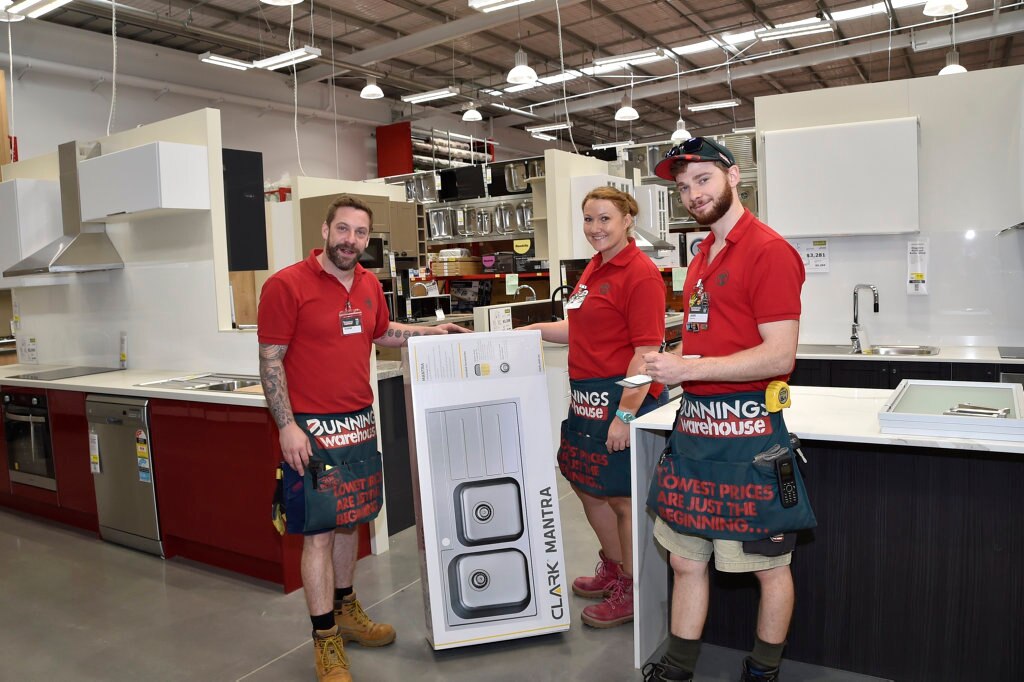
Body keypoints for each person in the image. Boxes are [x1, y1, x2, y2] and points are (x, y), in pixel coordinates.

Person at [257, 195, 468, 682]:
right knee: (318, 533)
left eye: (360, 233)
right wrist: (286, 425)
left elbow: (380, 331)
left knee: (350, 522)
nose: (350, 240)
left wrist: (427, 333)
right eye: (343, 229)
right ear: (326, 230)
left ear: (367, 240)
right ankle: (325, 638)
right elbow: (271, 360)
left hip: (358, 424)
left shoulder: (370, 283)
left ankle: (347, 611)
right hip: (310, 431)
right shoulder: (286, 285)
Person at [640, 138, 812, 682]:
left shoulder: (768, 250)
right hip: (694, 434)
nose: (693, 194)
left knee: (767, 566)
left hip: (751, 438)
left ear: (733, 176)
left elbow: (780, 354)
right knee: (686, 559)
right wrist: (673, 358)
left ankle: (763, 671)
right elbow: (710, 342)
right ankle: (677, 667)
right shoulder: (701, 257)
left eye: (703, 180)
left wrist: (688, 370)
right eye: (684, 187)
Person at [522, 186, 667, 629]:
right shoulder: (594, 267)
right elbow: (580, 328)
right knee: (586, 485)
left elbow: (645, 353)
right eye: (588, 219)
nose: (595, 228)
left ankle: (631, 587)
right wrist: (530, 331)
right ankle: (613, 563)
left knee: (622, 499)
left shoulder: (639, 274)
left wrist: (625, 416)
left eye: (604, 218)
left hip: (621, 396)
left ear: (627, 220)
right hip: (585, 396)